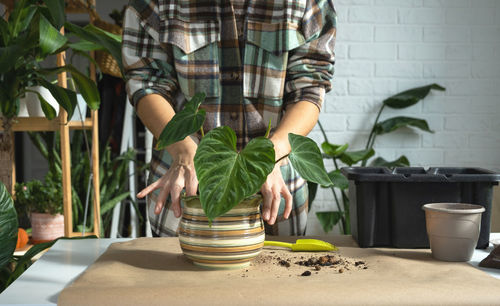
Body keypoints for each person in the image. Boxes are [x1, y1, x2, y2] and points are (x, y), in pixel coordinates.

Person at [122, 0, 336, 237]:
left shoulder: (306, 3)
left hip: (274, 195)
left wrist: (269, 156)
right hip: (185, 193)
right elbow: (145, 83)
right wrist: (184, 151)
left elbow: (310, 88)